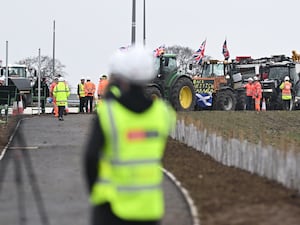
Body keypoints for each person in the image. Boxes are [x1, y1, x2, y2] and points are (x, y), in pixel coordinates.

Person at [83, 46, 176, 225]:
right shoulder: (163, 113)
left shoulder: (109, 113)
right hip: (149, 208)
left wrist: (95, 191)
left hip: (112, 207)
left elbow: (91, 157)